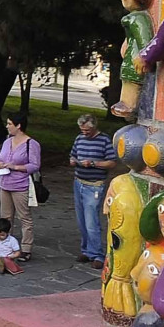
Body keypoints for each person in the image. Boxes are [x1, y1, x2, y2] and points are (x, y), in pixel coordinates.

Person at [0, 112, 40, 261]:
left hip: (20, 184)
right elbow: (0, 158)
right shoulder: (8, 141)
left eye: (10, 124)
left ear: (19, 126)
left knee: (24, 217)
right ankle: (5, 245)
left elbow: (35, 165)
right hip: (5, 183)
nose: (8, 126)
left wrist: (16, 167)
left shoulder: (31, 144)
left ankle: (26, 248)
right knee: (5, 217)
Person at [69, 113, 117, 269]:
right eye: (82, 130)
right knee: (81, 220)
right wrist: (73, 161)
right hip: (79, 182)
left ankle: (97, 254)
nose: (84, 133)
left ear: (94, 127)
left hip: (94, 184)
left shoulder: (104, 140)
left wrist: (94, 163)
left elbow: (111, 162)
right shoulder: (79, 139)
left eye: (87, 131)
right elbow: (73, 155)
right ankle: (87, 250)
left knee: (91, 221)